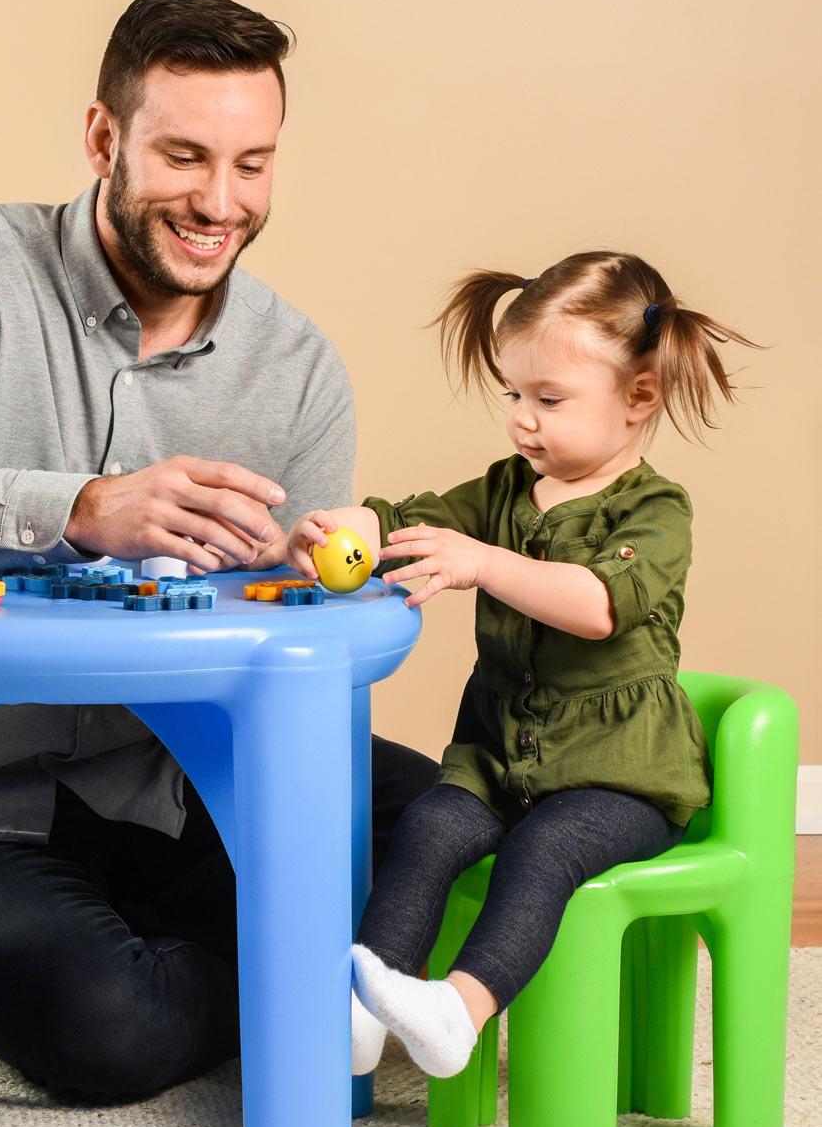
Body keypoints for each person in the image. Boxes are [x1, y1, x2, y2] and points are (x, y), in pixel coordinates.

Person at [0, 0, 439, 1101]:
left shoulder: (298, 370)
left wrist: (324, 569)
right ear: (103, 136)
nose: (220, 201)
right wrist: (79, 504)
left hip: (188, 786)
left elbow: (306, 633)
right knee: (110, 1026)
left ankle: (217, 946)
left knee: (454, 821)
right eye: (185, 156)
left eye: (253, 164)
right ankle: (293, 980)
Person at [281, 252, 758, 1079]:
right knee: (429, 824)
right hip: (500, 761)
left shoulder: (655, 509)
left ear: (637, 398)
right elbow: (409, 522)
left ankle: (458, 1010)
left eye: (550, 400)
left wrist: (485, 565)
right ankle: (365, 1007)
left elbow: (599, 604)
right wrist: (347, 527)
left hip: (620, 781)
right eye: (514, 396)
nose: (522, 421)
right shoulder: (505, 490)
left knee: (544, 849)